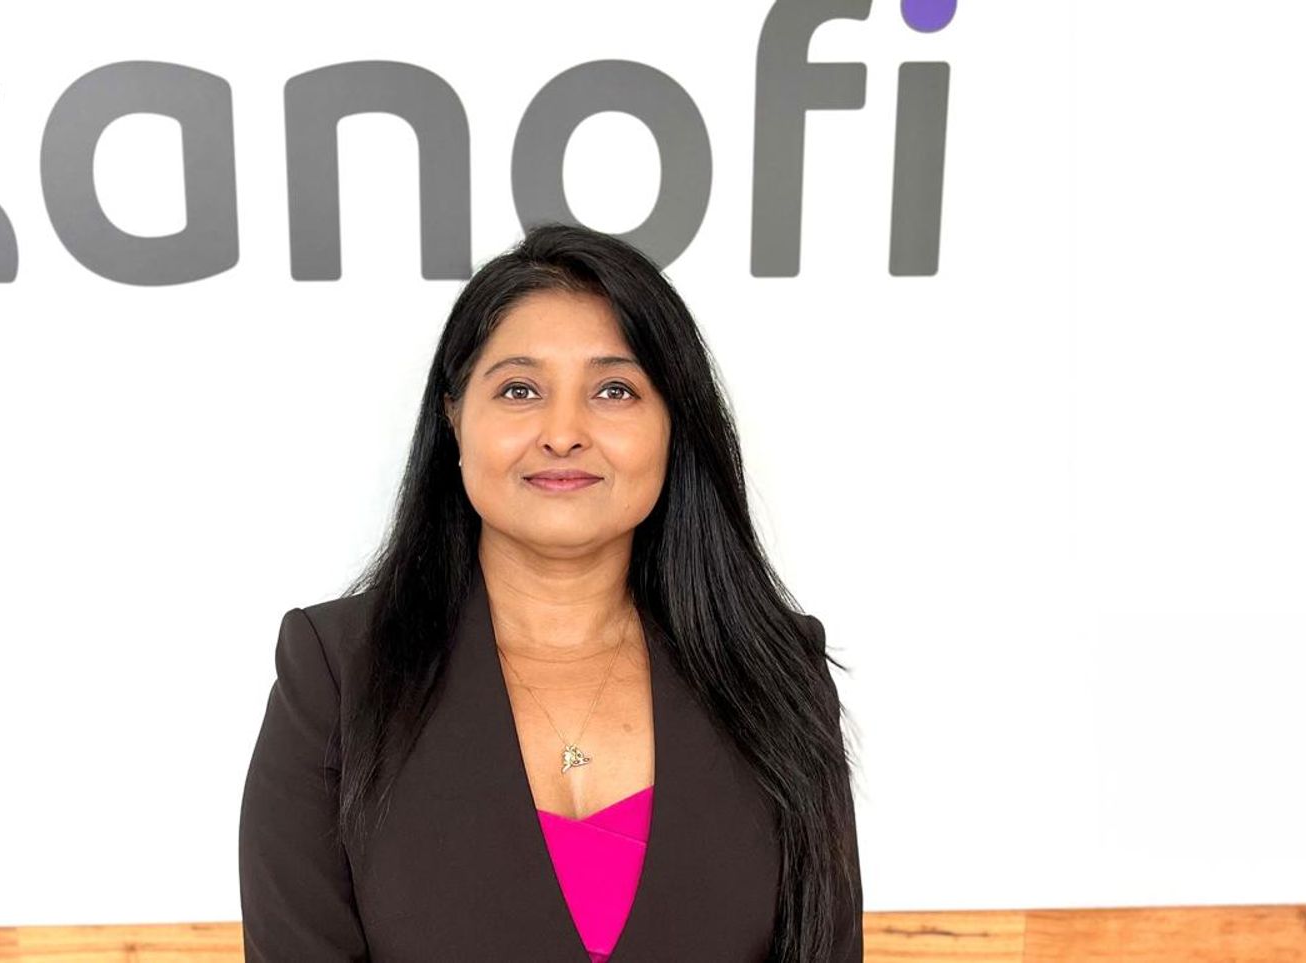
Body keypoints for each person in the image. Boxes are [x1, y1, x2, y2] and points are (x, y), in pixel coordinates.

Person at [239, 222, 860, 962]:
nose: (563, 432)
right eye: (520, 389)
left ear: (674, 424)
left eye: (614, 389)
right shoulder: (335, 676)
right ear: (454, 417)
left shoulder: (779, 671)